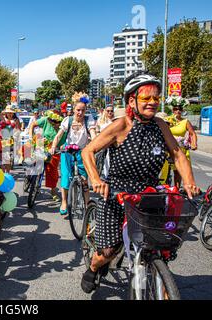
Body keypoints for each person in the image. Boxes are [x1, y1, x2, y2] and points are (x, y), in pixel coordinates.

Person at [80, 73, 200, 294]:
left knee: (159, 245)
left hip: (148, 195)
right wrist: (96, 180)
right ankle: (92, 268)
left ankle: (159, 278)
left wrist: (190, 183)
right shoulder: (120, 126)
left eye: (156, 98)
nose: (153, 102)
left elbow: (177, 154)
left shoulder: (160, 125)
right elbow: (88, 150)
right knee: (108, 251)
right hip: (116, 195)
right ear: (131, 101)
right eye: (146, 98)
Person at [50, 92, 96, 216]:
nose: (80, 113)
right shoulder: (68, 120)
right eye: (78, 110)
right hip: (67, 152)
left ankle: (87, 206)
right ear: (74, 109)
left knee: (85, 180)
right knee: (65, 176)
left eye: (83, 110)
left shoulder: (88, 119)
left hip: (82, 152)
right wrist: (54, 146)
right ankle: (64, 202)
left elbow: (93, 133)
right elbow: (59, 135)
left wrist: (95, 144)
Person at [29, 109, 64, 202]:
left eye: (56, 121)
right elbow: (33, 125)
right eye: (52, 120)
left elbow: (63, 142)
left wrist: (61, 147)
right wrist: (30, 136)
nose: (53, 123)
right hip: (41, 144)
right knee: (35, 162)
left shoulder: (63, 126)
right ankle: (31, 179)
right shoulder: (45, 119)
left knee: (52, 171)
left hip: (54, 150)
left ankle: (53, 192)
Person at [165, 94, 198, 188]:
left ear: (182, 110)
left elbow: (192, 133)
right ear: (172, 110)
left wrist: (194, 144)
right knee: (165, 171)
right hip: (168, 149)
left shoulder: (185, 121)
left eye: (180, 109)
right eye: (175, 109)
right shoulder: (168, 120)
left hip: (181, 150)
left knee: (178, 172)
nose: (178, 111)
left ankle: (176, 190)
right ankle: (164, 190)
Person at [0, 105, 22, 174]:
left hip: (11, 140)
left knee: (7, 158)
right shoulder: (3, 118)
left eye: (11, 112)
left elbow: (18, 130)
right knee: (2, 158)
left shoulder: (16, 120)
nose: (10, 114)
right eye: (8, 112)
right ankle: (3, 174)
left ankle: (7, 173)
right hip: (2, 139)